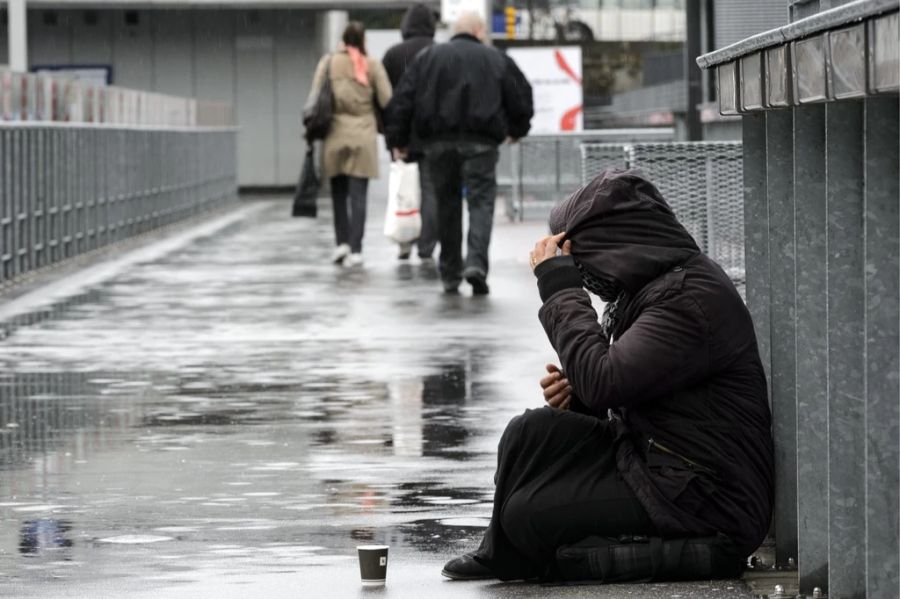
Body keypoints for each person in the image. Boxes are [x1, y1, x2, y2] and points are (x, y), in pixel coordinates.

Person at [441, 169, 774, 582]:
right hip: (659, 463)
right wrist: (578, 393)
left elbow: (604, 382)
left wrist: (561, 288)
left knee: (529, 513)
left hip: (703, 497)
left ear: (618, 245)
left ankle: (541, 548)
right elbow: (617, 386)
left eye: (583, 259)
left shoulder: (689, 299)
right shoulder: (650, 287)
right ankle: (504, 552)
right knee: (529, 432)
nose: (584, 272)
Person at [385, 12, 533, 295]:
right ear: (479, 31)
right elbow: (520, 95)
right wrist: (517, 129)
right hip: (482, 143)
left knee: (447, 205)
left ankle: (450, 272)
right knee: (480, 202)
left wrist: (399, 139)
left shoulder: (428, 58)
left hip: (438, 144)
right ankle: (475, 264)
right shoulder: (495, 59)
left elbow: (403, 100)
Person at [309, 22, 392, 267]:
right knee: (359, 196)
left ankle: (341, 243)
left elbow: (315, 95)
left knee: (338, 193)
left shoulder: (328, 63)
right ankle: (357, 249)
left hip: (335, 133)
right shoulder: (372, 65)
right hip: (363, 134)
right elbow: (387, 99)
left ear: (343, 40)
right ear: (363, 40)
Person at [381, 4, 438, 263]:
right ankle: (426, 245)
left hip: (401, 134)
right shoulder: (437, 53)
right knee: (429, 191)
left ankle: (404, 240)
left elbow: (385, 100)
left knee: (403, 189)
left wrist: (392, 137)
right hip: (432, 134)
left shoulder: (393, 55)